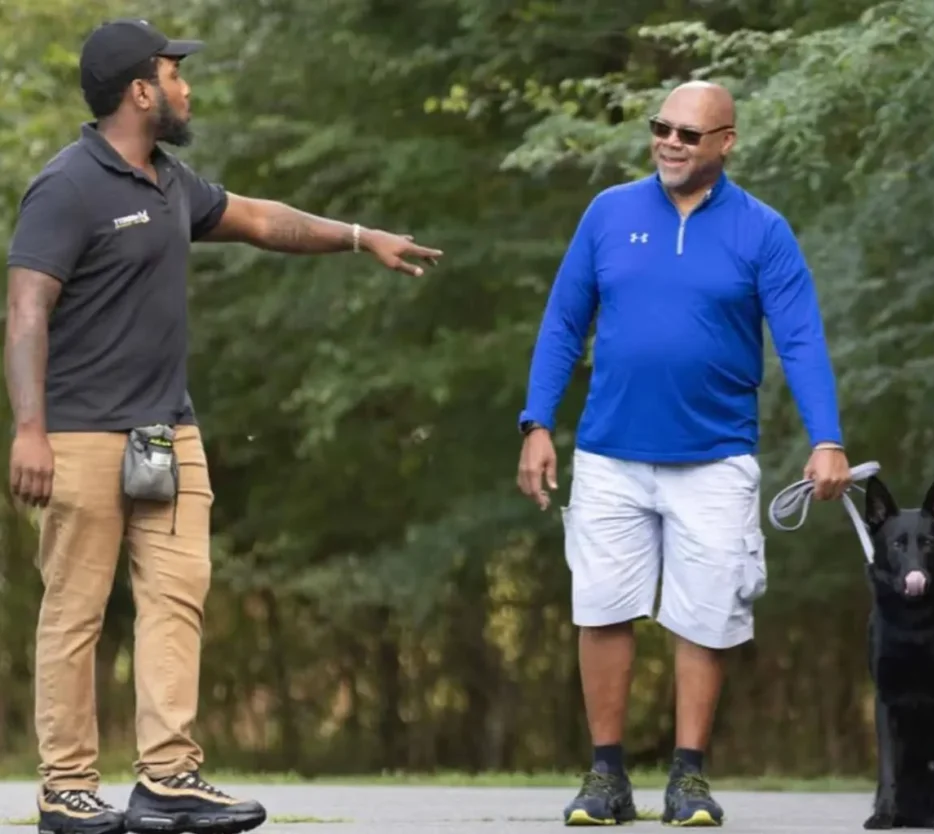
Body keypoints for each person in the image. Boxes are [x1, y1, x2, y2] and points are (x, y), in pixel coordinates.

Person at [4, 18, 443, 834]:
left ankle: (168, 778)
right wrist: (29, 429)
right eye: (175, 73)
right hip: (82, 436)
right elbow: (26, 309)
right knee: (76, 613)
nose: (186, 86)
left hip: (168, 434)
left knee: (178, 600)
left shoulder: (170, 181)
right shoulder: (66, 187)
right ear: (141, 90)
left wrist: (358, 237)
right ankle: (66, 786)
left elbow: (262, 219)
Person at [515, 80, 851, 827]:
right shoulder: (609, 213)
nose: (669, 141)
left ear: (725, 143)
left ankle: (688, 777)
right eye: (660, 127)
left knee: (707, 616)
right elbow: (564, 322)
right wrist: (537, 421)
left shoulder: (763, 231)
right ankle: (605, 776)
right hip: (610, 454)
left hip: (716, 457)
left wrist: (826, 438)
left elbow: (800, 340)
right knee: (602, 608)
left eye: (688, 133)